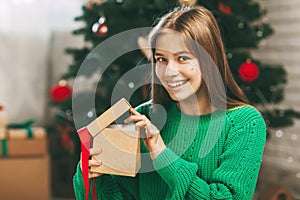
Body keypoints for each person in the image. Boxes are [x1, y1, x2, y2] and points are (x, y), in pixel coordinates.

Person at [73, 5, 266, 200]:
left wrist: (161, 153)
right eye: (161, 59)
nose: (169, 71)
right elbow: (120, 195)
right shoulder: (143, 118)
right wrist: (91, 175)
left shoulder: (244, 123)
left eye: (182, 58)